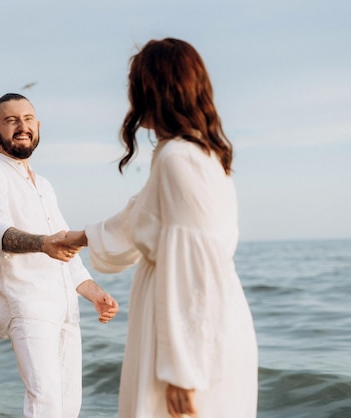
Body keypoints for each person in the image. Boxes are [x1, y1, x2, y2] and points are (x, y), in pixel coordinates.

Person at [60, 38, 258, 417]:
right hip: (197, 326)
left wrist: (182, 369)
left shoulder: (178, 159)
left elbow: (193, 265)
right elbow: (137, 221)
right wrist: (79, 237)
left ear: (155, 90)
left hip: (192, 339)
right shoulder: (198, 153)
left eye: (136, 85)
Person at [0, 93, 119, 418]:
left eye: (28, 119)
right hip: (27, 305)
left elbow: (66, 249)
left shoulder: (44, 184)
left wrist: (94, 292)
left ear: (38, 126)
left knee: (68, 407)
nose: (22, 127)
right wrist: (43, 244)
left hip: (65, 308)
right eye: (11, 121)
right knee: (44, 404)